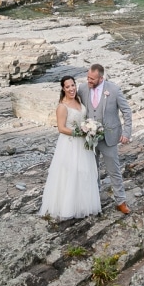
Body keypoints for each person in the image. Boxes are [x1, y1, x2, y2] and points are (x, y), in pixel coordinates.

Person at [38, 75, 101, 220]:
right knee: (71, 172)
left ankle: (83, 204)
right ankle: (68, 207)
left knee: (84, 172)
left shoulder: (78, 100)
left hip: (83, 144)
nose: (71, 89)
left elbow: (84, 119)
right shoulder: (62, 106)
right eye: (68, 87)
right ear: (63, 89)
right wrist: (79, 132)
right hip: (70, 144)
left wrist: (91, 128)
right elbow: (61, 128)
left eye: (73, 85)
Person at [78, 63, 133, 214]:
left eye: (92, 79)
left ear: (101, 78)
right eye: (88, 77)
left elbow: (126, 111)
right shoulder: (82, 89)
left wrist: (127, 133)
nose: (89, 80)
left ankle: (121, 201)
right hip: (90, 138)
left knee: (114, 171)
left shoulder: (114, 90)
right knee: (92, 170)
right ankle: (95, 201)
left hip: (109, 138)